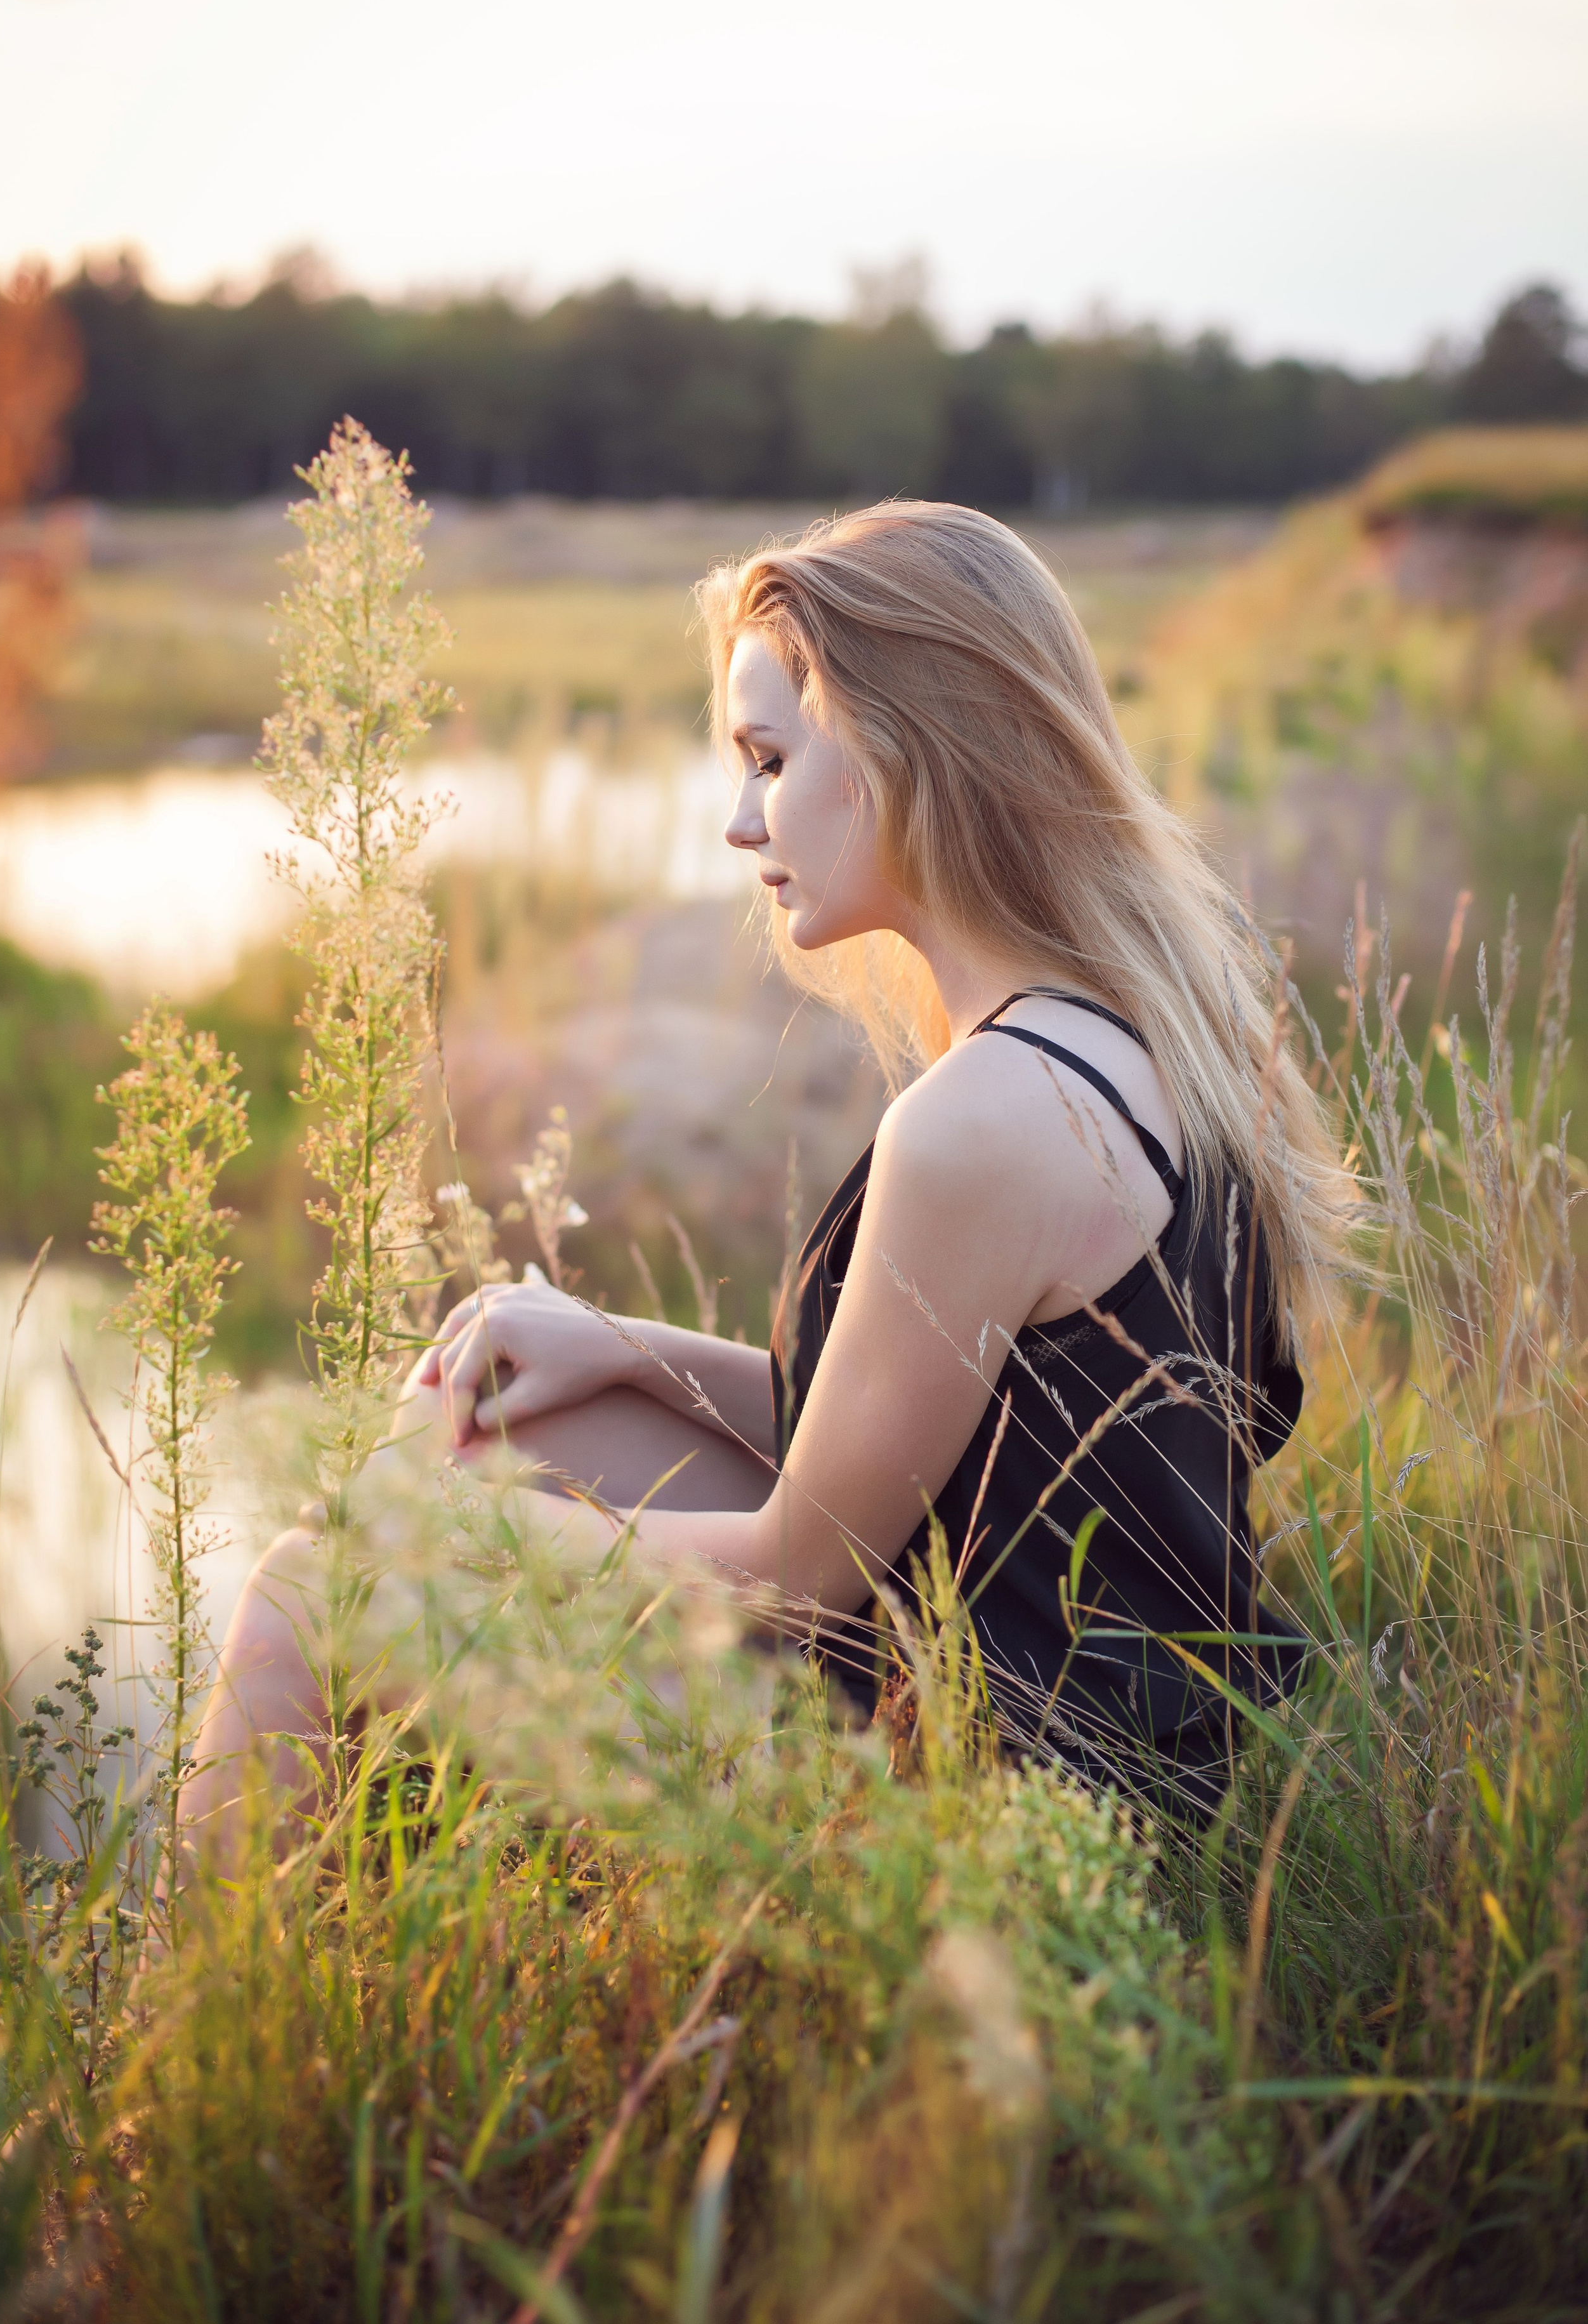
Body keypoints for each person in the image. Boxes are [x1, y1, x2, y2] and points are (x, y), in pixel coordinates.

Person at [183, 501, 1349, 1836]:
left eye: (768, 760)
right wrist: (623, 1346)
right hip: (1086, 1720)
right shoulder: (1124, 1043)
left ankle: (213, 2026)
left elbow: (797, 1570)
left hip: (1014, 1802)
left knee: (304, 1592)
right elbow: (974, 1443)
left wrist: (453, 1534)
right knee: (506, 1421)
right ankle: (404, 1929)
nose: (741, 825)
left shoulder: (982, 1122)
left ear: (907, 749)